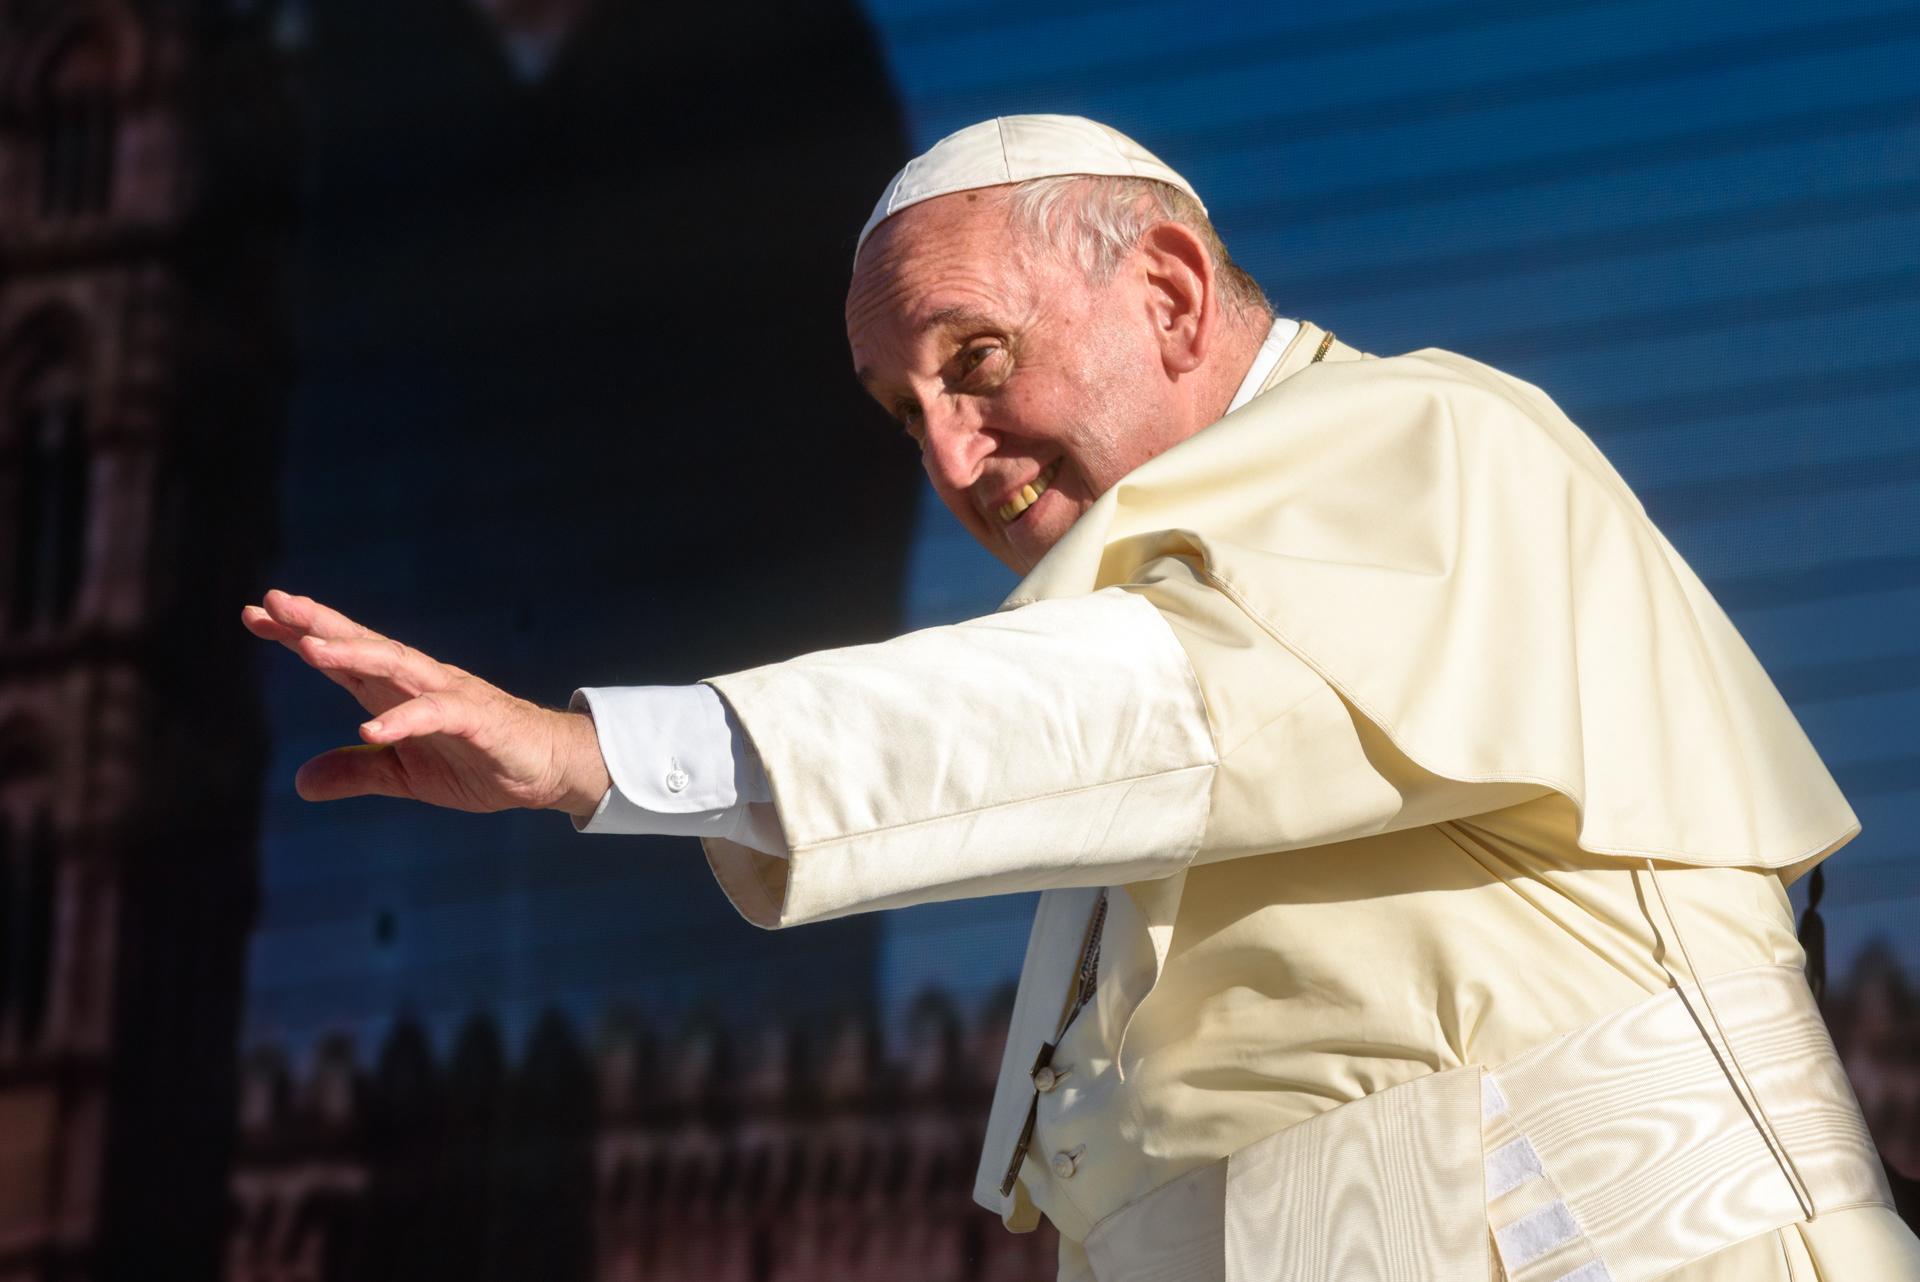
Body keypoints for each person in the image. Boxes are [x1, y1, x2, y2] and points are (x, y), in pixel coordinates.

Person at [246, 116, 1920, 1281]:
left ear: (1174, 294)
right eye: (906, 417)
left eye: (976, 365)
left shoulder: (1434, 448)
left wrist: (601, 752)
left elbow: (1157, 711)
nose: (954, 461)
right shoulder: (1180, 574)